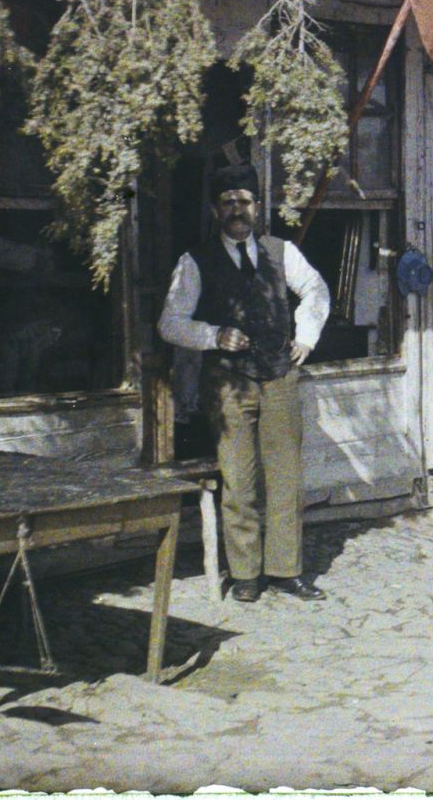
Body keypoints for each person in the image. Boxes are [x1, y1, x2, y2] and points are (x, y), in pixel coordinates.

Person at [159, 164, 332, 602]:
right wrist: (213, 335)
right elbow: (169, 324)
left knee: (285, 477)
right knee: (238, 479)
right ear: (216, 210)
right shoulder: (194, 261)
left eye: (245, 201)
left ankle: (284, 570)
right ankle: (244, 575)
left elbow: (315, 288)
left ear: (257, 207)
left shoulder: (281, 251)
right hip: (228, 382)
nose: (237, 210)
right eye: (228, 202)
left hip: (279, 376)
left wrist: (307, 337)